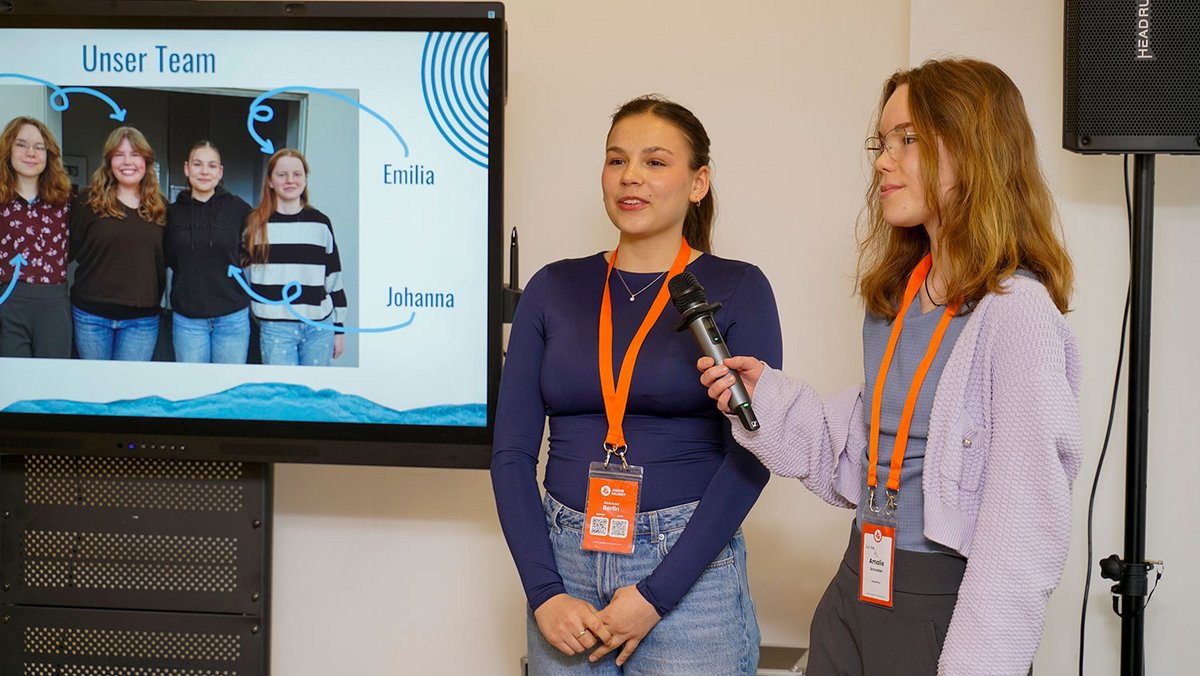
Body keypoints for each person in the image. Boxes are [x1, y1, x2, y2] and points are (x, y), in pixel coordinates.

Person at [698, 58, 1080, 676]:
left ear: (975, 150)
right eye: (883, 142)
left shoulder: (1017, 314)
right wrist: (762, 396)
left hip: (940, 604)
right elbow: (862, 456)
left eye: (908, 139)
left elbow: (1025, 526)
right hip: (858, 584)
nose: (882, 161)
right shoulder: (895, 303)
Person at [492, 95, 783, 675]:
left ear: (698, 182)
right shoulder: (552, 287)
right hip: (565, 568)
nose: (630, 176)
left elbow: (753, 454)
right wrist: (544, 592)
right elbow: (510, 454)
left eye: (655, 161)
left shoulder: (738, 287)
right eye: (616, 159)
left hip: (688, 572)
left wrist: (656, 595)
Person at [69, 126, 167, 361]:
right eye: (119, 154)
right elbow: (68, 250)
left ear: (146, 161)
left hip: (142, 320)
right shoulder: (86, 201)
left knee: (131, 385)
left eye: (135, 154)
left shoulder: (161, 207)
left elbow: (169, 257)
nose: (127, 162)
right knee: (94, 383)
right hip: (91, 315)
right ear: (109, 161)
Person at [243, 148, 346, 366]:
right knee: (282, 387)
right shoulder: (255, 225)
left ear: (305, 179)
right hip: (275, 327)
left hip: (319, 326)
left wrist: (339, 328)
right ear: (270, 181)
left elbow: (334, 277)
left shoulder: (320, 223)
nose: (290, 180)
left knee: (315, 387)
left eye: (297, 174)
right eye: (282, 174)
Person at [166, 141, 253, 363]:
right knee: (192, 383)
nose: (205, 171)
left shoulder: (239, 209)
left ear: (220, 172)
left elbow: (254, 249)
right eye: (198, 164)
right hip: (188, 318)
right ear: (187, 168)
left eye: (212, 165)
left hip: (232, 317)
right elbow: (168, 257)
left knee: (229, 383)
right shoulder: (171, 213)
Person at [0, 117, 74, 358]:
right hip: (8, 303)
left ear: (48, 154)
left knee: (53, 378)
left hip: (54, 304)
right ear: (8, 150)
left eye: (39, 147)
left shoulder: (66, 201)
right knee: (12, 378)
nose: (31, 153)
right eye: (21, 145)